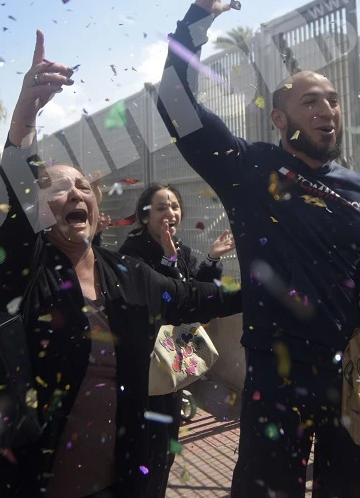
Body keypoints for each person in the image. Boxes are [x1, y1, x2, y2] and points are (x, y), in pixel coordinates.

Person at [0, 30, 244, 498]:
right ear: (37, 209)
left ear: (97, 209)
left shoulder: (129, 275)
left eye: (83, 187)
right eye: (57, 188)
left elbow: (202, 296)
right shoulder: (23, 272)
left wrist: (277, 282)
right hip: (28, 480)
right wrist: (24, 119)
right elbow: (11, 222)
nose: (74, 193)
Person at [157, 0, 360, 498]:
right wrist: (196, 18)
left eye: (333, 100)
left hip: (351, 371)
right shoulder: (249, 167)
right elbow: (174, 101)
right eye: (310, 101)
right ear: (280, 119)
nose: (327, 109)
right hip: (275, 375)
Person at [117, 183, 236, 498]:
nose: (169, 213)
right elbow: (157, 296)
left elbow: (197, 296)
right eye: (160, 208)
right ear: (145, 217)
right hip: (143, 369)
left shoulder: (180, 248)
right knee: (144, 450)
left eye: (174, 207)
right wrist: (169, 261)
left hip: (172, 367)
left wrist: (211, 260)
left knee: (165, 447)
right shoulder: (132, 252)